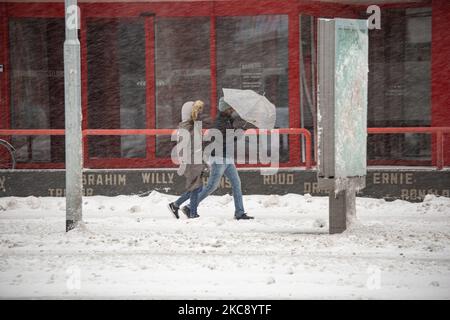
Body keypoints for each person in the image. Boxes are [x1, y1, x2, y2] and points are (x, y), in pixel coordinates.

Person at [173, 97, 254, 220]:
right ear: (225, 109)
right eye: (230, 107)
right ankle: (187, 206)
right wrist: (240, 132)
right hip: (218, 158)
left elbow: (231, 133)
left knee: (236, 184)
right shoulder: (219, 123)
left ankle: (239, 212)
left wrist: (242, 125)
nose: (233, 109)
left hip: (227, 158)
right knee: (211, 186)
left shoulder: (227, 120)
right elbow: (227, 139)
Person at [168, 100, 207, 219]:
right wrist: (184, 162)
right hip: (191, 162)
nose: (198, 113)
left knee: (197, 187)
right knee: (195, 187)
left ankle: (176, 205)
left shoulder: (192, 126)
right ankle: (192, 213)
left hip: (196, 160)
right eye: (195, 111)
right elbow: (182, 147)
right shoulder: (186, 127)